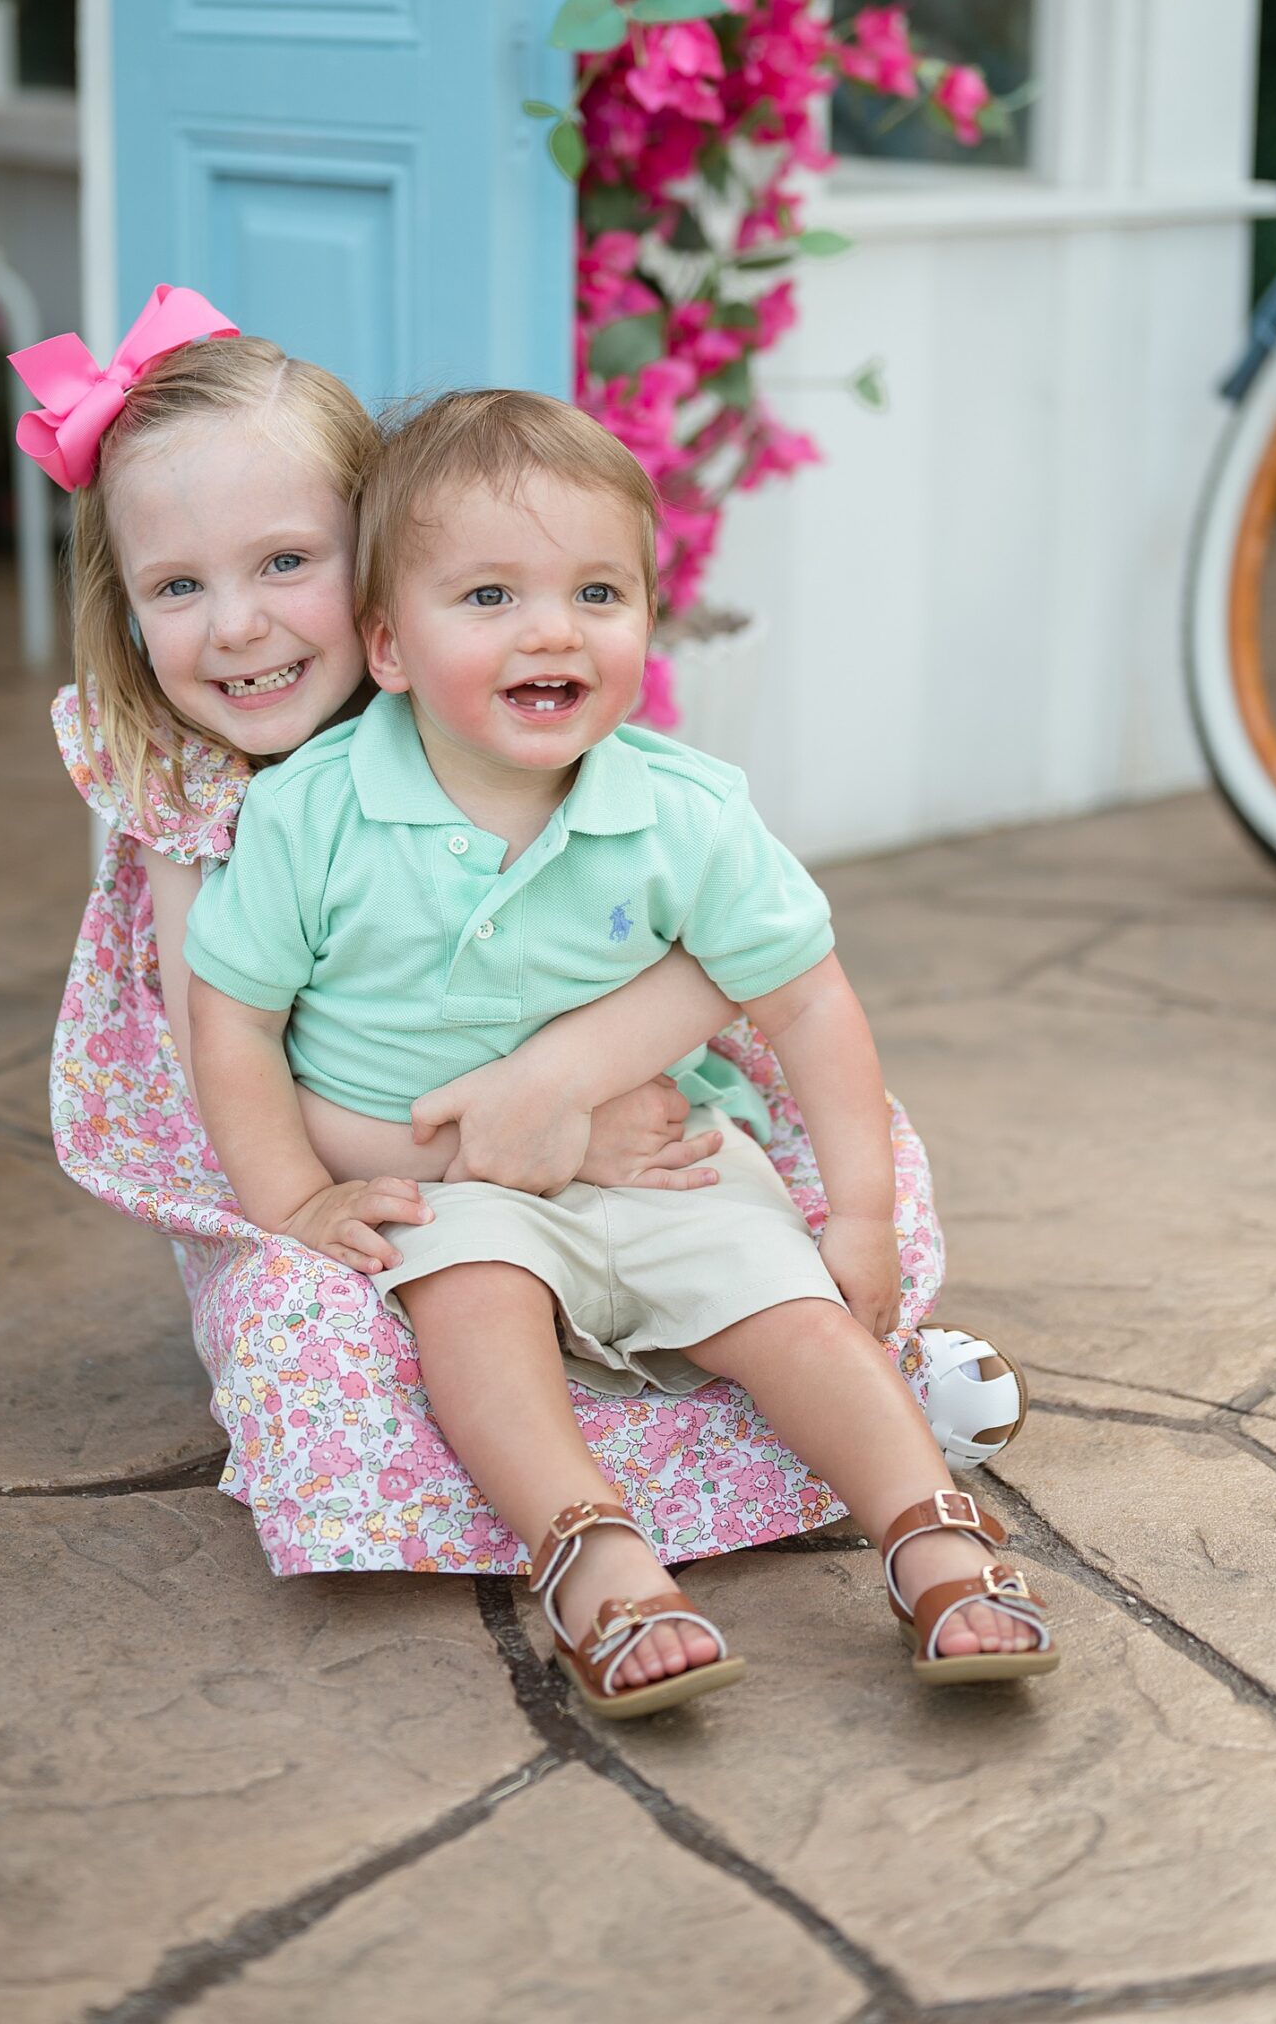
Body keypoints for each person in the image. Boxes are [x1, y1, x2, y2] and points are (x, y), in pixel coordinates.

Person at [14, 292, 1019, 1585]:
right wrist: (514, 1138)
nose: (239, 627)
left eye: (285, 563)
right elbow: (235, 1061)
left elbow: (734, 961)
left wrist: (565, 1092)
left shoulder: (540, 738)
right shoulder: (205, 800)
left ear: (379, 569)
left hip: (627, 1128)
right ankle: (620, 1489)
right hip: (353, 1165)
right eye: (177, 586)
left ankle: (857, 1403)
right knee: (349, 1335)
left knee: (780, 1224)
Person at [184, 388, 1059, 1710]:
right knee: (473, 1316)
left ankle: (930, 1531)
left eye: (599, 592)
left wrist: (863, 1215)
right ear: (389, 645)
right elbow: (235, 1020)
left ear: (650, 619)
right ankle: (597, 1558)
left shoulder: (682, 812)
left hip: (659, 1162)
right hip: (454, 1190)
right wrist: (292, 1202)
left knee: (798, 1314)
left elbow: (809, 1001)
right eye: (488, 598)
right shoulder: (315, 815)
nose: (553, 629)